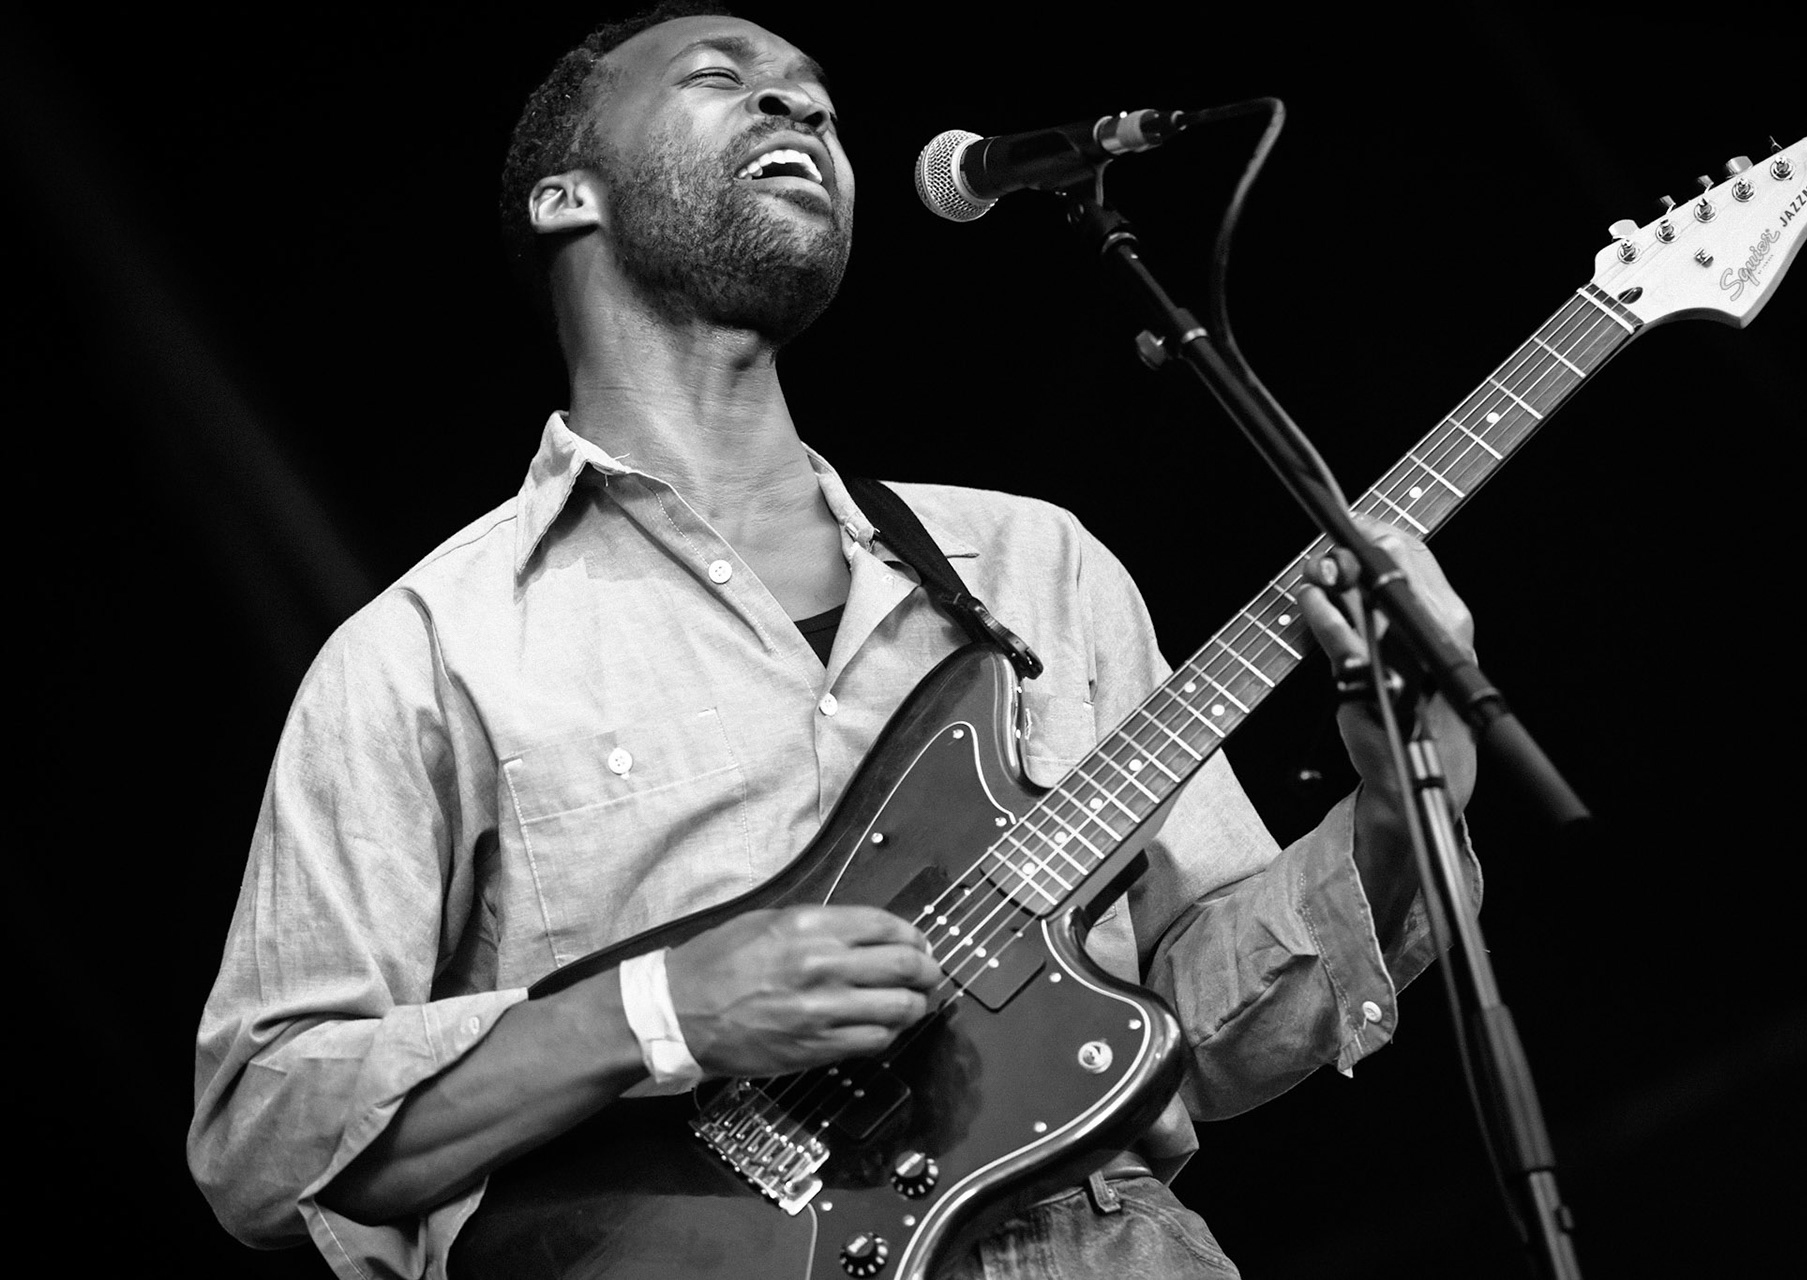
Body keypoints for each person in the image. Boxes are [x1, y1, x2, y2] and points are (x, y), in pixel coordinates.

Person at [188, 5, 1480, 1277]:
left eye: (817, 95)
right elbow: (265, 1130)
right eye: (721, 76)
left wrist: (1400, 791)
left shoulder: (1031, 565)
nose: (800, 104)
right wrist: (663, 1015)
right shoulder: (430, 647)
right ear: (563, 199)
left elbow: (1210, 1031)